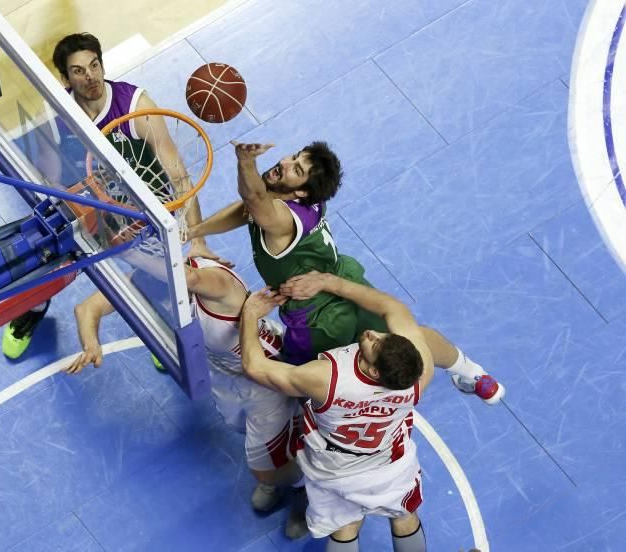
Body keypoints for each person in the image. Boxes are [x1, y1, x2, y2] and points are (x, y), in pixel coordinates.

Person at [188, 142, 503, 404]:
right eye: (294, 157)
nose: (285, 162)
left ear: (300, 193)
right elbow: (247, 209)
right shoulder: (306, 200)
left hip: (317, 317)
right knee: (407, 335)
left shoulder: (280, 219)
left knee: (301, 384)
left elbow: (253, 199)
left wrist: (245, 162)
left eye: (296, 169)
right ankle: (469, 370)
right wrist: (195, 231)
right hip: (345, 283)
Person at [2, 32, 218, 360]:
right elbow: (53, 181)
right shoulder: (55, 115)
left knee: (173, 274)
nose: (90, 77)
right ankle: (32, 309)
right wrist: (81, 214)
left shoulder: (135, 107)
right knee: (46, 254)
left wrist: (198, 238)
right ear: (66, 78)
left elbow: (178, 175)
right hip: (97, 207)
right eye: (78, 71)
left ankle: (170, 326)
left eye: (94, 65)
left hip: (148, 209)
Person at [67, 257, 309, 538]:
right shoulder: (143, 280)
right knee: (246, 431)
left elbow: (190, 277)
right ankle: (280, 474)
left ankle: (308, 486)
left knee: (269, 462)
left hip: (267, 378)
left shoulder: (215, 281)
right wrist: (91, 344)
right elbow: (86, 307)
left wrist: (128, 248)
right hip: (225, 378)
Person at [240, 271, 444, 551]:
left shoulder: (326, 378)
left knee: (344, 526)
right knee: (405, 517)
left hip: (334, 469)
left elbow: (254, 367)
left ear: (373, 370)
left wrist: (250, 315)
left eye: (374, 344)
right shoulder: (421, 373)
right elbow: (393, 308)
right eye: (382, 336)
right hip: (389, 463)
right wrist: (331, 283)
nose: (372, 334)